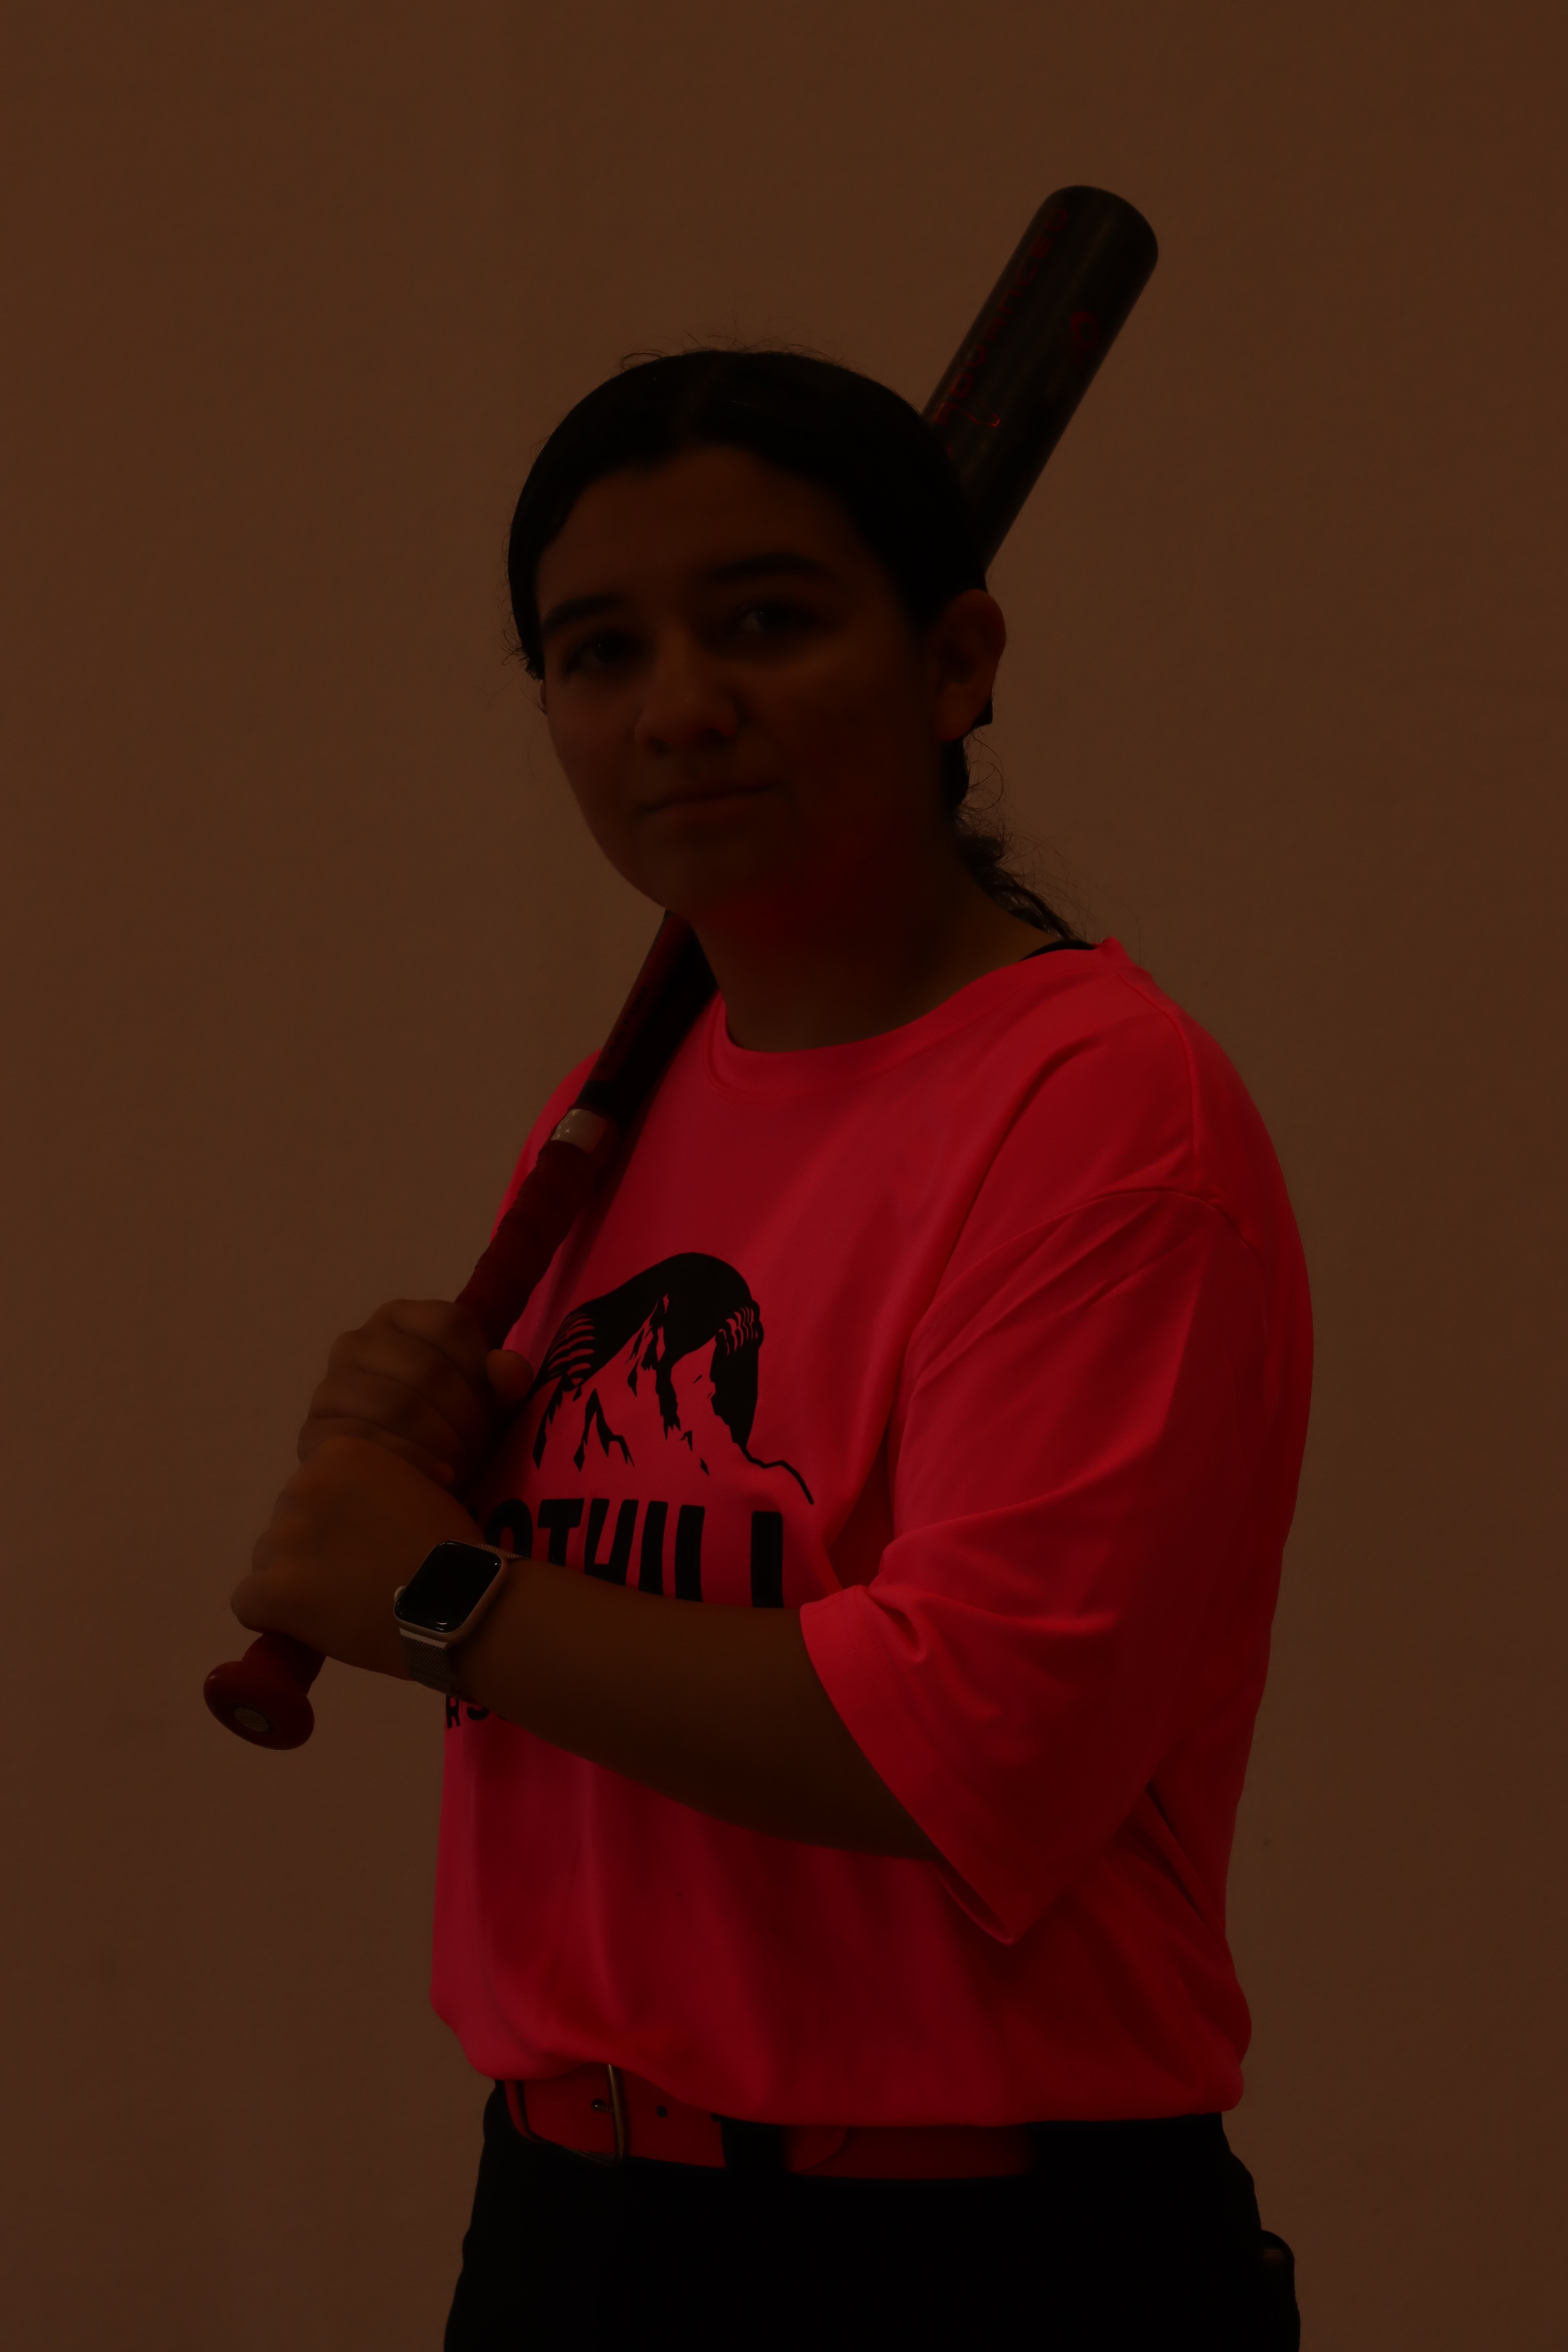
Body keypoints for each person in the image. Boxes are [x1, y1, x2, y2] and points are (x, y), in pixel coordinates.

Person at [233, 350, 1310, 2349]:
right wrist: (433, 1452)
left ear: (955, 661)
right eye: (598, 651)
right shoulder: (626, 1109)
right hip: (569, 2222)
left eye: (764, 622)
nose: (676, 709)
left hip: (966, 2261)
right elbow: (628, 1617)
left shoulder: (1097, 1112)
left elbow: (977, 1736)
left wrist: (446, 1596)